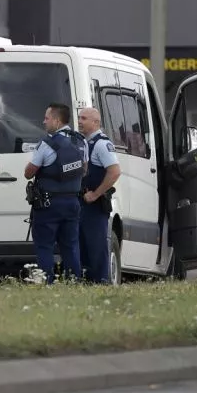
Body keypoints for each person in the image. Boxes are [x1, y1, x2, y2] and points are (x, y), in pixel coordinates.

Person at [24, 103, 88, 284]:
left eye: (47, 118)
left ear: (57, 120)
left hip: (48, 204)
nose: (44, 122)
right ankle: (74, 281)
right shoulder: (81, 141)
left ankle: (47, 282)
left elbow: (29, 173)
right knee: (71, 245)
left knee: (44, 245)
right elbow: (84, 169)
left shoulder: (46, 144)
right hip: (72, 202)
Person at [78, 107, 121, 283]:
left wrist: (96, 194)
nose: (80, 121)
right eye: (80, 117)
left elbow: (115, 172)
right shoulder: (86, 143)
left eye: (85, 118)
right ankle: (88, 281)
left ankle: (101, 281)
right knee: (83, 245)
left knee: (96, 245)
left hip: (95, 206)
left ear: (96, 122)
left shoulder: (102, 144)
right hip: (83, 204)